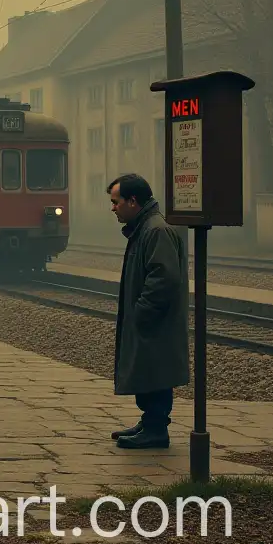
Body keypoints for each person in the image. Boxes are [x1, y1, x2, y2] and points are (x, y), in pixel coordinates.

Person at [109, 173, 189, 449]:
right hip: (151, 320)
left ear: (133, 201)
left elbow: (164, 278)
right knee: (148, 369)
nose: (113, 208)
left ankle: (156, 428)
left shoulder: (155, 230)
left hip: (156, 321)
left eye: (116, 202)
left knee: (156, 371)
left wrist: (142, 312)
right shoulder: (145, 227)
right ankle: (151, 421)